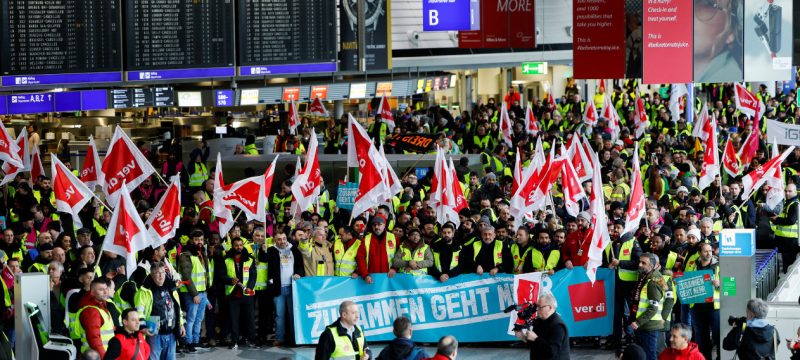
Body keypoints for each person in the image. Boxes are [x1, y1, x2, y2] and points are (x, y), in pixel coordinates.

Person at [134, 261, 183, 360]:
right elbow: (139, 312)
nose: (161, 276)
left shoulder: (171, 288)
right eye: (157, 273)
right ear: (151, 275)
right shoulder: (144, 291)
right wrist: (143, 327)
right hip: (154, 334)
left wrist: (181, 324)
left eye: (163, 272)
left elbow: (177, 308)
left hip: (171, 333)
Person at [266, 233, 303, 347]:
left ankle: (295, 338)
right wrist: (263, 251)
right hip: (278, 288)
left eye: (284, 239)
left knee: (293, 314)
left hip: (292, 287)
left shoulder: (294, 249)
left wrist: (298, 273)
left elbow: (301, 265)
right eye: (279, 239)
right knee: (279, 315)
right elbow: (264, 260)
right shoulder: (271, 250)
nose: (282, 241)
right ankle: (279, 338)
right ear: (274, 240)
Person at [222, 237, 258, 349]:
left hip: (247, 294)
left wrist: (250, 287)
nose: (239, 247)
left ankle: (251, 340)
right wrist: (229, 280)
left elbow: (253, 275)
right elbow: (221, 275)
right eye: (236, 245)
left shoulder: (250, 259)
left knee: (250, 319)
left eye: (241, 245)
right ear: (232, 246)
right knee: (234, 320)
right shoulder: (226, 259)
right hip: (233, 294)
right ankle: (234, 341)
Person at [176, 230, 209, 352]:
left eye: (201, 239)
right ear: (191, 240)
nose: (199, 242)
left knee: (199, 319)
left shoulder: (201, 253)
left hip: (203, 291)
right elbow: (186, 276)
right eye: (196, 240)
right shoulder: (186, 255)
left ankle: (196, 341)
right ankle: (189, 342)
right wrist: (194, 294)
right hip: (192, 293)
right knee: (191, 319)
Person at [514, 292, 570, 360]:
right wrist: (522, 337)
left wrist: (535, 338)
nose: (537, 309)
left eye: (540, 307)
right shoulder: (539, 321)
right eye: (537, 306)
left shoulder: (558, 326)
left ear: (550, 307)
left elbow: (551, 352)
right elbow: (535, 344)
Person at [76, 278, 115, 357]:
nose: (105, 292)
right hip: (95, 356)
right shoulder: (91, 311)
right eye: (101, 289)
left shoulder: (100, 307)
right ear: (92, 293)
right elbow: (94, 339)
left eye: (106, 289)